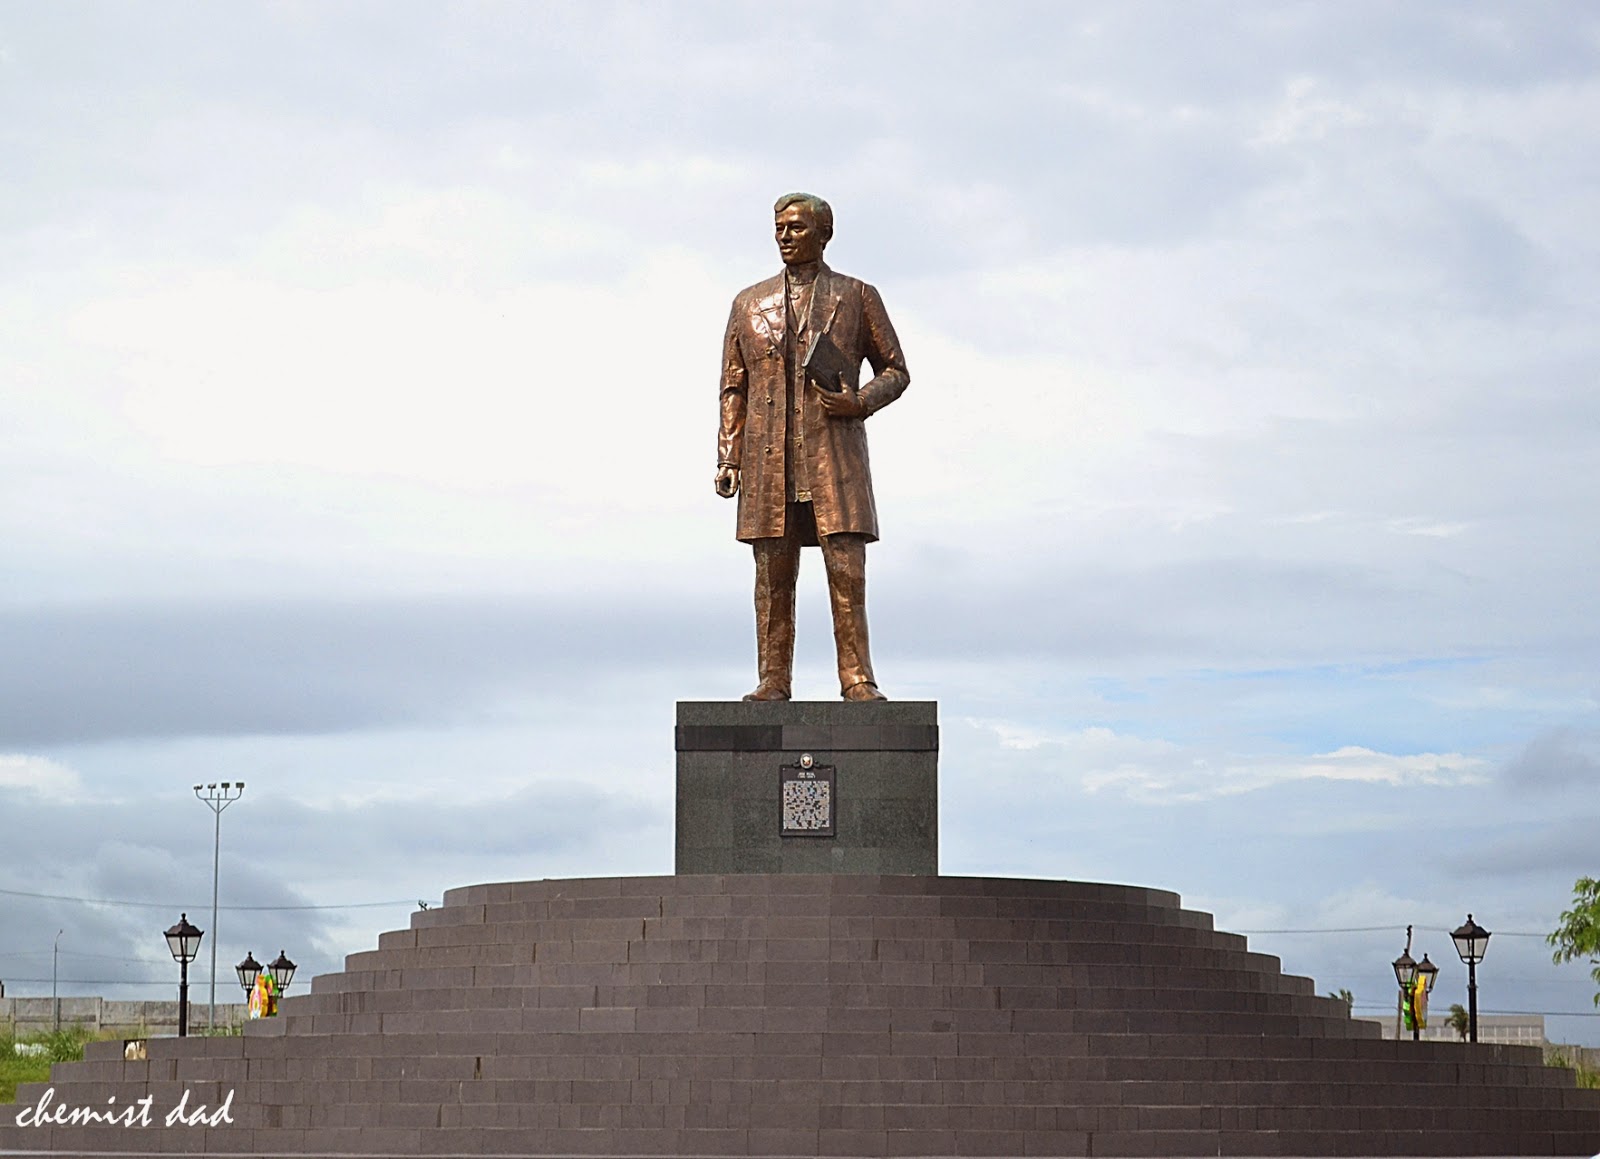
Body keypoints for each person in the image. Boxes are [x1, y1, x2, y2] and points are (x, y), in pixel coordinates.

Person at [715, 193, 909, 701]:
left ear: (823, 234)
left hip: (833, 458)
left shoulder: (857, 295)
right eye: (779, 227)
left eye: (796, 227)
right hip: (767, 463)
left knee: (846, 574)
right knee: (772, 578)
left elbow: (896, 370)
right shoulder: (748, 303)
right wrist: (728, 454)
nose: (784, 235)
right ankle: (773, 679)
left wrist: (859, 402)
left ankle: (857, 678)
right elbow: (734, 386)